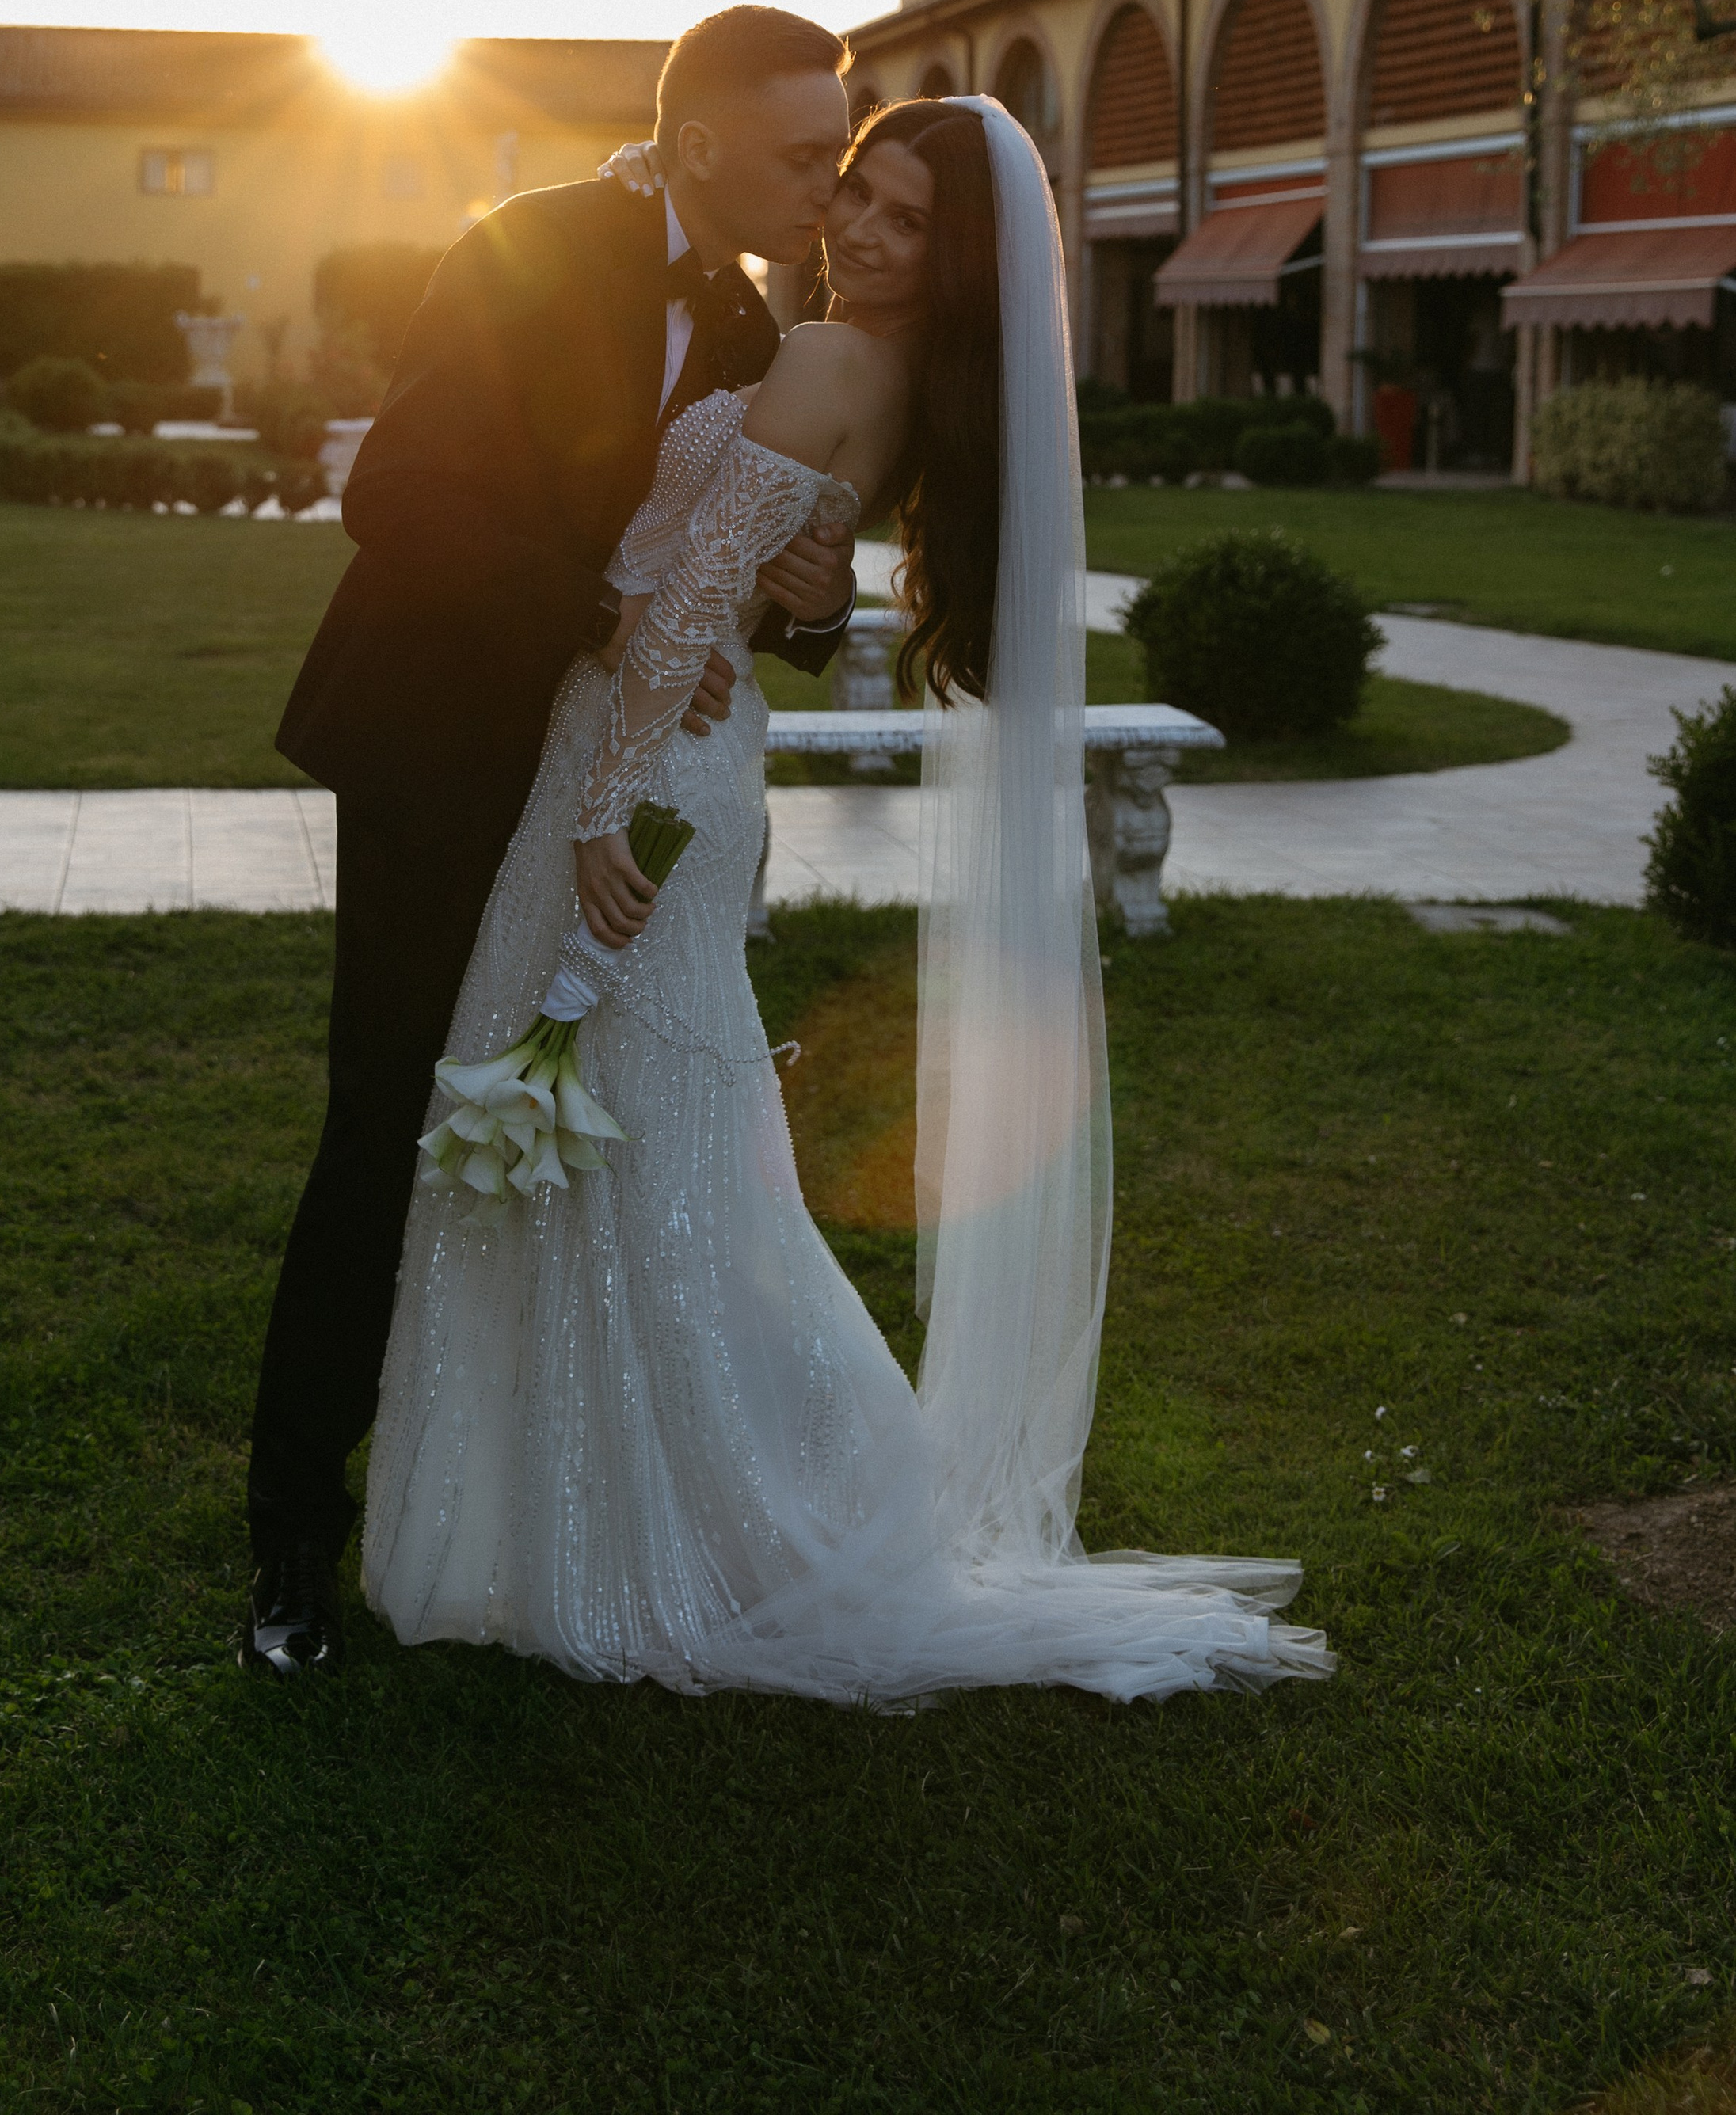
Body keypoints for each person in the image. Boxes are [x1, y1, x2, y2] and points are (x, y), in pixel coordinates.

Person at [360, 94, 1334, 1705]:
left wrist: (604, 806)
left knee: (641, 1135)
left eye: (904, 218)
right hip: (682, 751)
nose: (861, 230)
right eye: (855, 194)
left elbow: (678, 613)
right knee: (650, 1129)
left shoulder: (821, 362)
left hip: (640, 768)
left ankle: (715, 1513)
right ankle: (611, 1506)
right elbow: (746, 585)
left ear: (956, 259)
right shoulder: (872, 373)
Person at [242, 6, 863, 1676]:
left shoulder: (759, 322)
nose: (830, 182)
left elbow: (743, 548)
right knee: (385, 1112)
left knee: (584, 1134)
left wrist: (815, 597)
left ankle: (531, 1509)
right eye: (808, 152)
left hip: (610, 774)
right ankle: (293, 1544)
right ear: (710, 141)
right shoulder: (524, 245)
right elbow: (404, 496)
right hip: (444, 743)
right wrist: (597, 612)